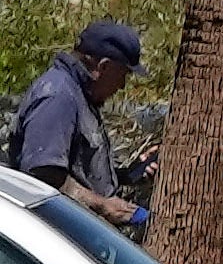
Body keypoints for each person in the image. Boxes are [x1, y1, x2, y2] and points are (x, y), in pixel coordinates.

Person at [7, 20, 141, 230]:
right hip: (56, 243)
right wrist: (104, 207)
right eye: (122, 75)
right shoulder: (58, 96)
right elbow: (44, 176)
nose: (122, 86)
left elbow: (78, 171)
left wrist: (128, 175)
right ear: (103, 67)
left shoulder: (80, 95)